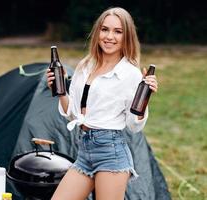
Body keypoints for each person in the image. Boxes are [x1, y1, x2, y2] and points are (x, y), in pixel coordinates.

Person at [46, 7, 158, 200]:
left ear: (127, 37)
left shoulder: (130, 74)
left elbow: (133, 125)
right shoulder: (86, 65)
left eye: (118, 31)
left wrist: (145, 98)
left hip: (111, 152)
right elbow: (73, 114)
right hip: (85, 150)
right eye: (105, 29)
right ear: (97, 32)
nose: (109, 36)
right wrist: (60, 90)